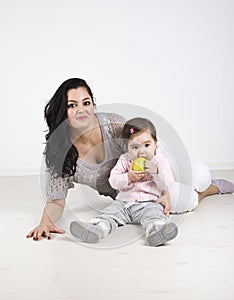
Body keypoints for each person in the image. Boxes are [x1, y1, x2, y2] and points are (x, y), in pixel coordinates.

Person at [26, 78, 234, 241]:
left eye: (86, 102)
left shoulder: (112, 124)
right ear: (63, 111)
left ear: (93, 104)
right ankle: (209, 191)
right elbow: (55, 200)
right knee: (187, 199)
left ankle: (209, 182)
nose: (81, 109)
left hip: (156, 161)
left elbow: (146, 145)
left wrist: (165, 191)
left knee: (199, 174)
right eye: (72, 105)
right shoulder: (58, 153)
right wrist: (45, 222)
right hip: (132, 194)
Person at [69, 117, 178, 246]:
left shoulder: (159, 161)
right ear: (127, 147)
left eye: (147, 145)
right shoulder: (125, 160)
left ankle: (157, 231)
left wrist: (156, 172)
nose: (141, 152)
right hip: (123, 203)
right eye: (135, 147)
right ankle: (96, 229)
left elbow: (168, 182)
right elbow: (113, 181)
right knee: (109, 214)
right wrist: (128, 177)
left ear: (155, 144)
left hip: (149, 202)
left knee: (154, 216)